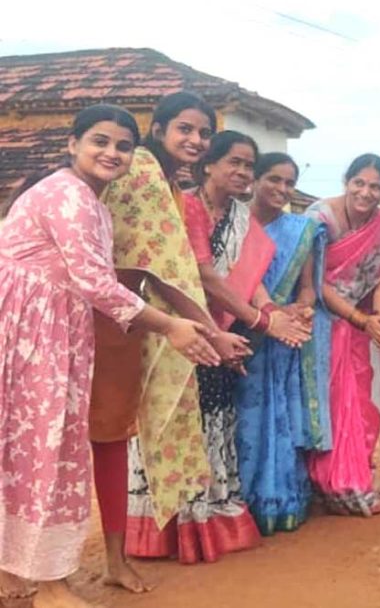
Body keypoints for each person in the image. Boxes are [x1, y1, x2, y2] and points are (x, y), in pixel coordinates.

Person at [0, 104, 218, 606]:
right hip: (33, 333)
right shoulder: (70, 197)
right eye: (100, 141)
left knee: (28, 449)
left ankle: (18, 569)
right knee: (49, 452)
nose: (112, 153)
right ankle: (51, 586)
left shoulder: (92, 202)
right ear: (71, 144)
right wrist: (169, 326)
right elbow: (96, 282)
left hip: (49, 330)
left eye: (122, 145)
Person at [98, 92, 252, 570]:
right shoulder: (143, 172)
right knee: (106, 435)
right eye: (185, 129)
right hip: (109, 315)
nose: (197, 139)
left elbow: (170, 271)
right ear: (159, 129)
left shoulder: (170, 184)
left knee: (118, 435)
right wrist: (210, 332)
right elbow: (169, 274)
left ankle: (121, 556)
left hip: (135, 314)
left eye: (204, 132)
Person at [305, 154, 380, 516]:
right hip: (319, 320)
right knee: (330, 403)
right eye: (359, 183)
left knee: (360, 404)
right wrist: (360, 320)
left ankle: (351, 482)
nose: (366, 192)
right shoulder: (320, 219)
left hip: (359, 323)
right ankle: (329, 483)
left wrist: (378, 317)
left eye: (375, 186)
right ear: (346, 181)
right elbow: (314, 282)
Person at [235, 152, 332, 534]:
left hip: (283, 340)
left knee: (279, 419)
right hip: (240, 331)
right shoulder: (235, 223)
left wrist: (300, 310)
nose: (282, 189)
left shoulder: (301, 230)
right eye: (273, 180)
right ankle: (238, 504)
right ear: (255, 180)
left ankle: (277, 501)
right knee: (241, 418)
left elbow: (308, 288)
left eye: (289, 183)